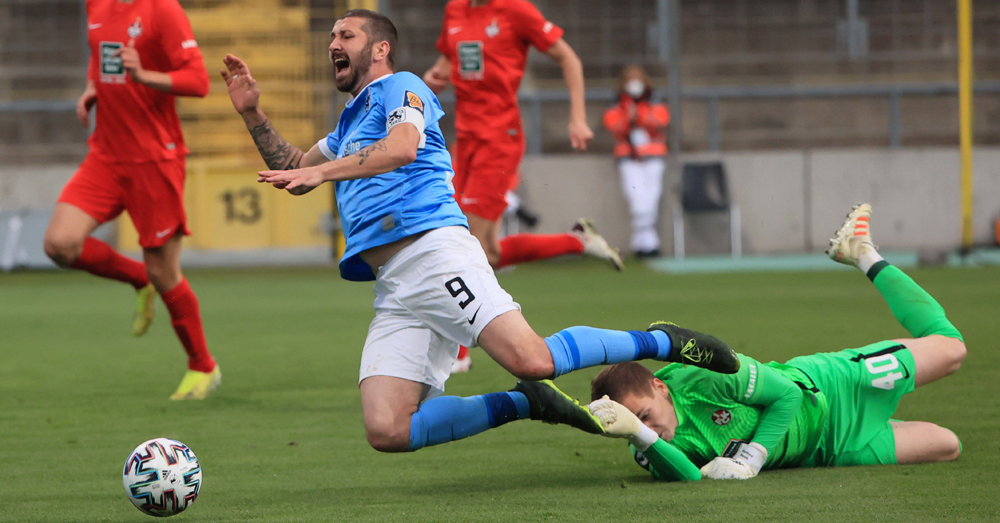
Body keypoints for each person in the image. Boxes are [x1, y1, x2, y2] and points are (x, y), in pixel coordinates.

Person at [222, 9, 740, 454]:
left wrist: (320, 171)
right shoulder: (349, 123)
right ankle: (524, 404)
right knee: (387, 428)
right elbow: (293, 170)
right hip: (396, 286)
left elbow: (402, 147)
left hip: (434, 252)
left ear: (380, 49)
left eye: (346, 35)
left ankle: (662, 341)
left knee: (532, 358)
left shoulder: (402, 87)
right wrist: (253, 114)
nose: (334, 43)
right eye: (332, 36)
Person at [588, 204, 966, 481]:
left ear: (659, 387)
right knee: (948, 445)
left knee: (952, 350)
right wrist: (640, 435)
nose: (649, 430)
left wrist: (753, 457)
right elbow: (686, 477)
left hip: (829, 389)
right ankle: (879, 417)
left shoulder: (708, 376)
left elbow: (787, 395)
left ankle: (862, 253)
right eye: (635, 427)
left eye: (645, 417)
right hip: (830, 450)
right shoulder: (647, 445)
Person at [424, 0, 622, 373]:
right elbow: (448, 63)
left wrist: (578, 119)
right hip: (464, 140)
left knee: (466, 244)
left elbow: (570, 59)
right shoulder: (456, 10)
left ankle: (461, 353)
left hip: (499, 139)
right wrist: (434, 76)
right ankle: (576, 241)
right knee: (488, 253)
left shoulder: (516, 11)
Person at [43, 0, 221, 400]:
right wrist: (93, 85)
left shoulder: (162, 10)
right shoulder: (96, 6)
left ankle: (202, 366)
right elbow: (101, 55)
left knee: (166, 273)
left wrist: (145, 75)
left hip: (155, 160)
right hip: (105, 156)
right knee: (59, 244)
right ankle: (137, 278)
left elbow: (199, 81)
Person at [602, 65, 669, 258]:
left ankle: (645, 243)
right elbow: (613, 124)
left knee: (652, 198)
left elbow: (660, 121)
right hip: (629, 157)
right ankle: (646, 243)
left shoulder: (654, 98)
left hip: (653, 155)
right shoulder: (617, 102)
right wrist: (627, 118)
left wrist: (638, 115)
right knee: (637, 200)